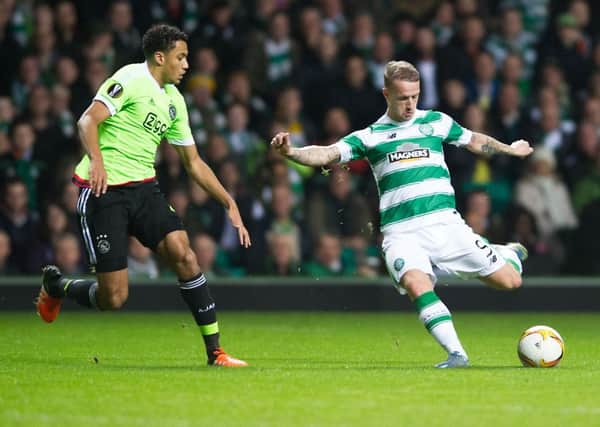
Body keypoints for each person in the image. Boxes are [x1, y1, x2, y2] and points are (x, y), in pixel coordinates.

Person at [271, 60, 533, 368]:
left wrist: (509, 149)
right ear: (386, 94)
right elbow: (326, 153)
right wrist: (291, 152)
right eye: (402, 98)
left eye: (414, 96)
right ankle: (456, 354)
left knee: (509, 282)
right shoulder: (369, 137)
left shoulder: (435, 121)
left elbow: (475, 140)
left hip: (445, 224)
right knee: (416, 283)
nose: (410, 104)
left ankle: (507, 253)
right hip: (401, 233)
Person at [35, 24, 251, 367]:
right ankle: (59, 286)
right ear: (160, 56)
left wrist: (229, 202)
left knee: (185, 254)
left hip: (144, 189)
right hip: (104, 191)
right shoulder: (131, 78)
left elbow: (193, 162)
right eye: (181, 57)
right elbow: (87, 122)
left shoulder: (174, 101)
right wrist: (98, 162)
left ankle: (216, 352)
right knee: (114, 298)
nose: (186, 65)